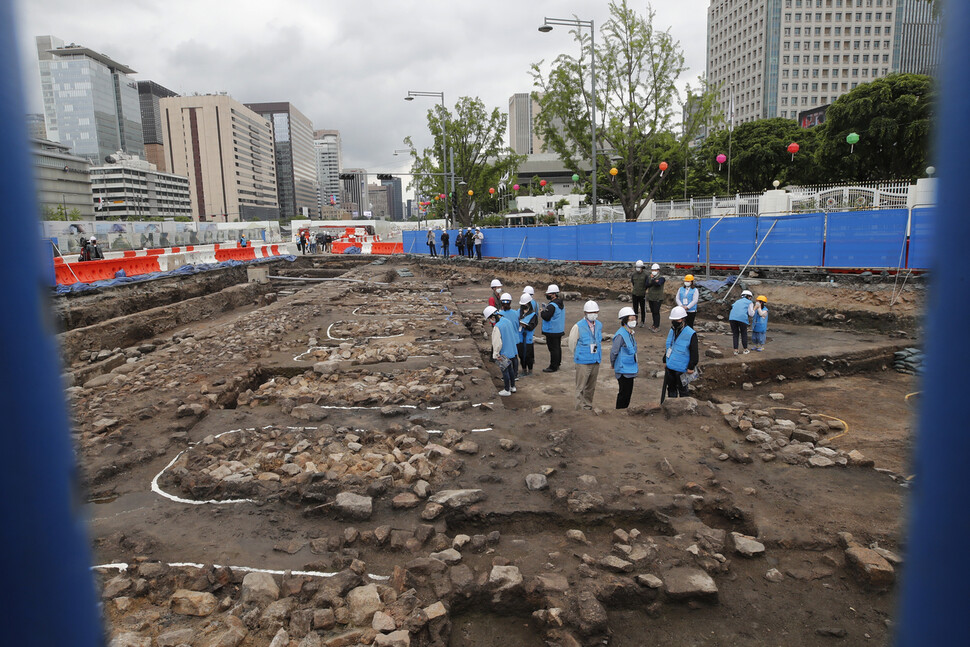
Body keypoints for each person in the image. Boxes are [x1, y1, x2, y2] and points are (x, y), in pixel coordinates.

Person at [567, 300, 603, 411]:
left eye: (595, 312)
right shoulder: (578, 326)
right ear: (585, 313)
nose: (593, 314)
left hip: (595, 360)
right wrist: (579, 355)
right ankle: (579, 408)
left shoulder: (599, 325)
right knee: (580, 387)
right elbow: (572, 343)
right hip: (583, 362)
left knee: (591, 387)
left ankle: (588, 406)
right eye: (590, 312)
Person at [663, 306, 698, 399]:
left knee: (683, 390)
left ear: (683, 319)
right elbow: (669, 346)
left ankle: (684, 410)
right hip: (671, 365)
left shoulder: (691, 333)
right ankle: (671, 407)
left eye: (677, 320)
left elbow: (694, 352)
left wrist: (691, 366)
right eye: (673, 320)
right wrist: (665, 360)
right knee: (671, 388)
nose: (674, 322)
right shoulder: (672, 330)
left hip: (682, 368)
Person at [484, 305, 518, 396]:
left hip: (503, 352)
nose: (490, 321)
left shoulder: (497, 327)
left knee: (505, 370)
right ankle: (513, 387)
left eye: (489, 319)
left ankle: (507, 389)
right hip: (511, 350)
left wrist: (496, 355)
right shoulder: (507, 321)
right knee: (510, 369)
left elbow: (497, 343)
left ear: (492, 316)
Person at [610, 306, 639, 409]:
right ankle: (619, 412)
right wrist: (613, 363)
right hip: (623, 369)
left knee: (628, 393)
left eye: (634, 319)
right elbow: (614, 351)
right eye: (631, 319)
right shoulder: (620, 335)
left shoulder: (630, 333)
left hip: (630, 368)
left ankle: (623, 410)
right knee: (624, 393)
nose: (633, 321)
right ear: (624, 320)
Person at [540, 284, 565, 373]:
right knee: (557, 348)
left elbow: (546, 316)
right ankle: (557, 364)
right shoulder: (560, 303)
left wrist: (542, 312)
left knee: (553, 349)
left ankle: (553, 366)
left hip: (551, 330)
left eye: (549, 294)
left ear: (554, 294)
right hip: (558, 329)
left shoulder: (552, 306)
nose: (548, 295)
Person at [517, 293, 538, 376]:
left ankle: (530, 370)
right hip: (520, 338)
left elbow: (532, 326)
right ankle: (523, 369)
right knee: (521, 354)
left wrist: (525, 325)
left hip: (528, 338)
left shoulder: (533, 315)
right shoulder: (518, 312)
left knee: (529, 355)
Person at [729, 290, 755, 355]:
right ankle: (745, 350)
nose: (750, 298)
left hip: (732, 318)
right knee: (743, 333)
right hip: (742, 318)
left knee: (735, 334)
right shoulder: (749, 302)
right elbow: (751, 314)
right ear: (748, 296)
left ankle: (736, 350)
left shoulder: (737, 301)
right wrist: (755, 308)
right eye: (750, 297)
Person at [646, 263, 665, 332]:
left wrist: (653, 281)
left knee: (656, 312)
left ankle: (657, 326)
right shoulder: (649, 277)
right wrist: (653, 280)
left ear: (658, 270)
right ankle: (654, 324)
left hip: (658, 298)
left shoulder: (661, 278)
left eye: (655, 270)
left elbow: (658, 284)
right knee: (653, 311)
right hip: (651, 297)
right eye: (652, 270)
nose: (653, 271)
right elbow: (647, 284)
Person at [630, 260, 648, 327]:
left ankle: (642, 321)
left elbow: (647, 284)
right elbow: (633, 282)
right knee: (635, 308)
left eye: (639, 267)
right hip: (635, 294)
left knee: (643, 308)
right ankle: (635, 320)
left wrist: (643, 290)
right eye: (637, 267)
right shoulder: (634, 274)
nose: (637, 268)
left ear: (642, 267)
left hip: (642, 294)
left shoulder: (646, 274)